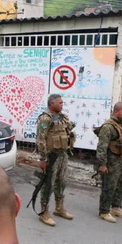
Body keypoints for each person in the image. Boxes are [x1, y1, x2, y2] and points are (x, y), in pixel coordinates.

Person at [36, 94, 75, 227]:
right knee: (48, 184)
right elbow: (41, 139)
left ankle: (59, 208)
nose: (62, 105)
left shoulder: (63, 117)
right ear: (51, 103)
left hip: (63, 154)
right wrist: (43, 159)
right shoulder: (45, 118)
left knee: (61, 182)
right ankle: (44, 212)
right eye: (60, 103)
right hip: (51, 156)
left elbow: (68, 129)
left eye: (62, 103)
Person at [95, 102, 122, 223]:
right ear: (116, 112)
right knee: (109, 186)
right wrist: (102, 164)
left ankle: (116, 207)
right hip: (111, 162)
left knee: (120, 184)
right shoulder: (108, 127)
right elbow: (101, 147)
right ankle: (104, 211)